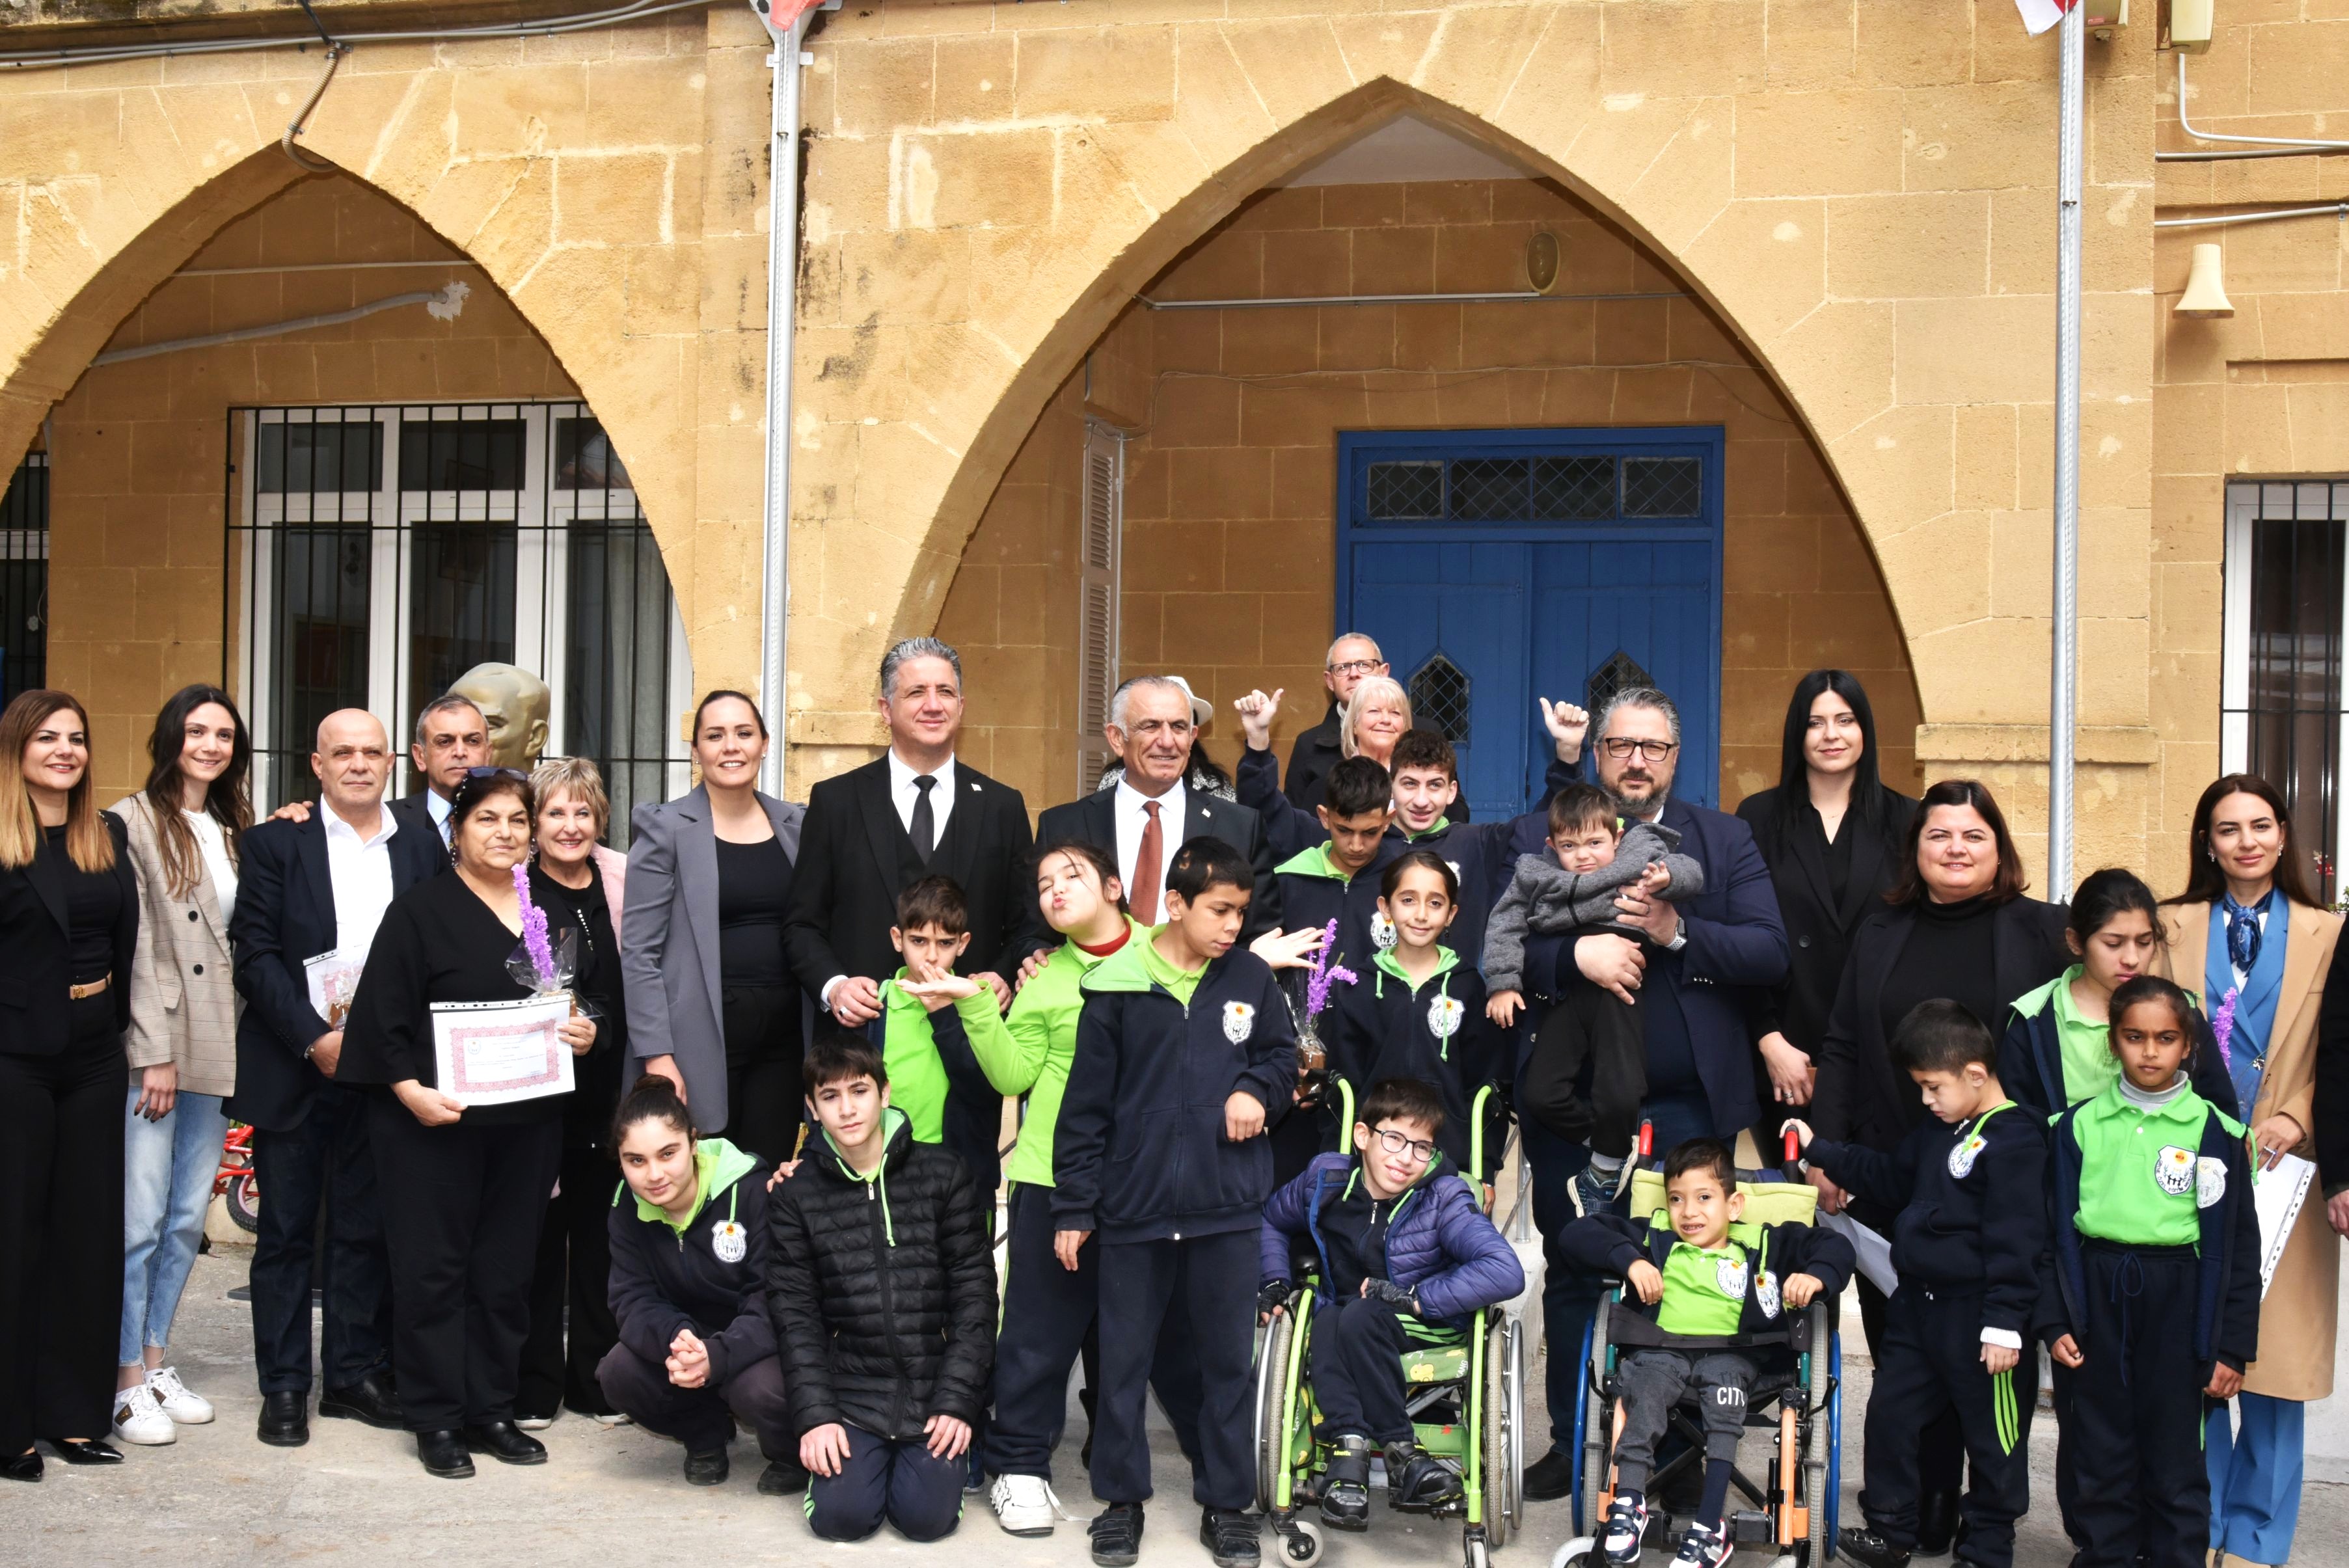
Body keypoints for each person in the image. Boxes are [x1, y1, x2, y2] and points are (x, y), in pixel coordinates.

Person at [1515, 686, 1787, 1502]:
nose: (1636, 761)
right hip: (1575, 1110)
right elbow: (1498, 944)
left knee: (1683, 1269)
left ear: (1675, 756)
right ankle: (1572, 1442)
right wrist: (1575, 959)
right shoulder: (1547, 830)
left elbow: (1768, 951)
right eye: (1620, 745)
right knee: (1576, 1266)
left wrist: (1678, 932)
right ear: (1596, 753)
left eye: (1653, 747)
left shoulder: (1722, 839)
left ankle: (1674, 1458)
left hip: (1685, 1108)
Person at [1804, 777, 2066, 1545]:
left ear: (1999, 848)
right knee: (1907, 1352)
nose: (1955, 848)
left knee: (1984, 1357)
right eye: (1938, 835)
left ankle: (1987, 1522)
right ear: (1913, 849)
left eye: (1973, 835)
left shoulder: (2041, 931)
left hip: (2000, 1184)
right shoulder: (1881, 929)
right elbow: (1842, 1044)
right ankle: (1919, 1505)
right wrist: (1828, 1155)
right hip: (1896, 1172)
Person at [336, 768, 600, 1478]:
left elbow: (573, 1002)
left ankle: (490, 1409)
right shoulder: (419, 913)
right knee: (433, 1272)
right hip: (432, 1123)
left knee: (506, 1271)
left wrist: (584, 1031)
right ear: (457, 830)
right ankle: (436, 1418)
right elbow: (380, 1020)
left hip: (527, 1121)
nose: (504, 833)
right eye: (488, 819)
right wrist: (409, 1092)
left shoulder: (546, 909)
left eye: (517, 820)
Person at [1053, 837, 1297, 1568]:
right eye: (1219, 910)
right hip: (1134, 1210)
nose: (1233, 925)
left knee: (1226, 1366)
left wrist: (1256, 1091)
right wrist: (1074, 1208)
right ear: (1176, 904)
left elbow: (1280, 1057)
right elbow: (1084, 1109)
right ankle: (1120, 1504)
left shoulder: (1250, 977)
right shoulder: (1117, 985)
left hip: (1227, 1210)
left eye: (1241, 912)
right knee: (1122, 1367)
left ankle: (1227, 1506)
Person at [966, 840, 1204, 1536]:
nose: (1055, 891)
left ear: (1112, 886)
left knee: (1168, 1333)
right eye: (1044, 885)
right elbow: (1013, 1076)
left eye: (1070, 876)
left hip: (1149, 1181)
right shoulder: (1044, 979)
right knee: (1037, 1334)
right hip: (1050, 1177)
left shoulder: (1167, 953)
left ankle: (1217, 1463)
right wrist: (976, 1008)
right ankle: (1018, 1465)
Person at [228, 709, 441, 1447]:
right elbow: (254, 953)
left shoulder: (421, 843)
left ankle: (351, 1376)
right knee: (286, 1233)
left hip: (382, 1071)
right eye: (341, 752)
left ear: (392, 763)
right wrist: (314, 1039)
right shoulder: (274, 843)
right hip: (296, 1063)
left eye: (371, 752)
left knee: (364, 1228)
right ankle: (285, 1385)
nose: (357, 763)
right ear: (316, 765)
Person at [2152, 775, 2341, 1567]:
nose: (2246, 842)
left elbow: (2342, 1046)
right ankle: (2198, 1530)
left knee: (2274, 1366)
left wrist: (2300, 1114)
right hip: (2186, 1165)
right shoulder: (2169, 925)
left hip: (2288, 1168)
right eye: (2227, 829)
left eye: (2260, 825)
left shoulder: (2329, 932)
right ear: (2206, 842)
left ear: (2283, 833)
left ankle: (2257, 1545)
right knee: (2195, 1352)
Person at [1787, 1001, 2045, 1568]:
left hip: (1981, 1317)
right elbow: (1890, 1176)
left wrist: (2005, 1323)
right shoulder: (1939, 1130)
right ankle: (1891, 1531)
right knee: (1891, 1417)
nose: (1926, 1100)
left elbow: (2018, 1239)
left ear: (1975, 1074)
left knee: (1994, 1441)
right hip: (1917, 1308)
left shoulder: (2017, 1140)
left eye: (1933, 1087)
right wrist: (1820, 1151)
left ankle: (1986, 1549)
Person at [2041, 975, 2260, 1568]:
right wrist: (2055, 1318)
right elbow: (2050, 1235)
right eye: (2134, 1037)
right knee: (2100, 1447)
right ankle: (2105, 1555)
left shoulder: (2217, 1132)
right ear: (2113, 1041)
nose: (2149, 1052)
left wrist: (2232, 1347)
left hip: (2179, 1300)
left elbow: (2240, 1249)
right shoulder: (2076, 1127)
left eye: (2165, 1039)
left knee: (2175, 1453)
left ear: (2188, 1045)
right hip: (2096, 1292)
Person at [1559, 1137, 1853, 1568]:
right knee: (1645, 1388)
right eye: (1676, 1198)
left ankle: (1710, 1523)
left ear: (1733, 1205)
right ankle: (1628, 1505)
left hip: (1737, 1354)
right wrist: (1630, 1260)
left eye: (1703, 1198)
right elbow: (1577, 1233)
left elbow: (1836, 1246)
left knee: (1724, 1392)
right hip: (1663, 1350)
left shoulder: (1765, 1241)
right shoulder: (1655, 1236)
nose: (1688, 1212)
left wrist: (1815, 1276)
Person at [1255, 1075, 1525, 1532]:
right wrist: (1276, 1280)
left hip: (1423, 1323)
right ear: (1362, 1136)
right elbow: (1272, 1219)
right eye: (1394, 1139)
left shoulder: (1444, 1196)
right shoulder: (1325, 1180)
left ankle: (1383, 1450)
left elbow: (1505, 1271)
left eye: (1421, 1147)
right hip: (1343, 1320)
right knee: (1330, 1315)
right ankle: (1368, 1450)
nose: (1405, 1158)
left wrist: (1417, 1298)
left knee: (1353, 1315)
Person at [767, 1034, 996, 1543]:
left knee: (926, 1521)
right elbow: (795, 1315)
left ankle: (931, 1470)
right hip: (851, 1394)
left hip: (932, 1388)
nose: (847, 1109)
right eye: (830, 1096)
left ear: (885, 1093)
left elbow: (975, 1296)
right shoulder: (795, 1195)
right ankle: (856, 1472)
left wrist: (957, 1400)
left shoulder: (945, 1172)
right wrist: (817, 1417)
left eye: (859, 1091)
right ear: (813, 1108)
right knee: (841, 1521)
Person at [0, 690, 140, 1481]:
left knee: (88, 1237)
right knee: (15, 1239)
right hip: (13, 1054)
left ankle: (75, 1417)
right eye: (47, 737)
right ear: (17, 748)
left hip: (94, 1054)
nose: (65, 750)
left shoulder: (105, 833)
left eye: (77, 738)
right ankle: (9, 1427)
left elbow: (124, 940)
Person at [105, 685, 251, 1446]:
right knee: (139, 1219)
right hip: (159, 1047)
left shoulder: (233, 826)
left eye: (223, 734)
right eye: (196, 730)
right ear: (171, 737)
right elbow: (133, 944)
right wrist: (151, 1052)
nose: (210, 744)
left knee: (188, 1216)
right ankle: (123, 1377)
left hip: (218, 1040)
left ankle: (157, 1358)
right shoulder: (130, 822)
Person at [786, 639, 1040, 1034]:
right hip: (863, 1044)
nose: (934, 705)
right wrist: (835, 987)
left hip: (971, 1039)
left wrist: (1003, 975)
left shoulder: (1002, 806)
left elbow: (1028, 924)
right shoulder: (836, 802)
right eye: (917, 692)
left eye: (946, 692)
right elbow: (801, 925)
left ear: (961, 706)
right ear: (886, 709)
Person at [1234, 697, 1586, 968]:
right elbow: (1267, 813)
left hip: (1448, 1009)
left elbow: (1553, 824)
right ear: (1391, 787)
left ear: (1452, 791)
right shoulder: (1359, 838)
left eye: (1434, 785)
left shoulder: (1478, 844)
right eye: (1409, 784)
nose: (1421, 800)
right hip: (1364, 1007)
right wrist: (1258, 742)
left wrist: (1568, 755)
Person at [1493, 781, 1705, 1209]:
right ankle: (1610, 1143)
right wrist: (1502, 982)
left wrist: (1667, 878)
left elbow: (1692, 872)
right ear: (1552, 847)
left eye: (1595, 843)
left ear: (1617, 837)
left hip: (1619, 994)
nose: (1584, 856)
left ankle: (1605, 1169)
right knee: (1540, 1094)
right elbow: (1504, 924)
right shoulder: (1536, 873)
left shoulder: (1638, 855)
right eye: (1569, 846)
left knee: (1620, 1089)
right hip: (1568, 992)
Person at [1733, 670, 1918, 1146]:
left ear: (1865, 730)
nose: (1831, 735)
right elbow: (1739, 938)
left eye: (1845, 720)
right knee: (1792, 1188)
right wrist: (1768, 1039)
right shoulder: (1758, 817)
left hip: (1882, 1052)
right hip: (1785, 1052)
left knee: (1873, 1188)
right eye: (1816, 723)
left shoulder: (1908, 819)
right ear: (1798, 733)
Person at [623, 690, 808, 1161]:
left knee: (764, 1178)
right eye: (715, 735)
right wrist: (657, 1054)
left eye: (744, 733)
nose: (731, 747)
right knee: (699, 1183)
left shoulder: (797, 825)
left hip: (783, 1043)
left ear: (765, 744)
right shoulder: (666, 828)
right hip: (697, 1044)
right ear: (696, 750)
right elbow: (639, 953)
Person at [599, 1072, 799, 1492]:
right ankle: (705, 1436)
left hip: (755, 1341)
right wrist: (678, 1338)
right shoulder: (625, 1206)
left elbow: (774, 1297)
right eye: (636, 1160)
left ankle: (790, 1452)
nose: (654, 1174)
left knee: (763, 1391)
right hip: (689, 1341)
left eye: (668, 1153)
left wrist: (720, 1354)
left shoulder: (750, 1190)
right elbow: (631, 1298)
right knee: (618, 1373)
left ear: (693, 1142)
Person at [517, 757, 630, 1429]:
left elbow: (632, 982)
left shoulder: (619, 880)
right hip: (538, 1096)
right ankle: (534, 1386)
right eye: (555, 812)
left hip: (607, 1090)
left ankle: (594, 1382)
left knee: (600, 1241)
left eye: (582, 812)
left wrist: (600, 1028)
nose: (570, 825)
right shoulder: (517, 888)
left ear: (600, 819)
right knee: (536, 1241)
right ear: (534, 824)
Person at [1039, 674, 1277, 940]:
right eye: (1151, 726)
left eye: (1178, 727)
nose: (1167, 741)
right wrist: (1035, 954)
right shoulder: (1062, 826)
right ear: (1116, 738)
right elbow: (1033, 934)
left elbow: (1262, 937)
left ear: (1192, 738)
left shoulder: (1240, 827)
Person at [2001, 869, 2240, 1118]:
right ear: (2075, 942)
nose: (2132, 959)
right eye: (2113, 944)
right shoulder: (2035, 1018)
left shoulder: (2181, 1009)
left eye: (2144, 942)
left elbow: (2221, 1116)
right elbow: (2017, 1122)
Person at [1320, 852, 1505, 1172]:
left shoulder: (1468, 987)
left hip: (1448, 1159)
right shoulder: (1357, 986)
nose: (1421, 914)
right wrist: (1339, 1160)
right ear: (1385, 907)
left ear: (1451, 914)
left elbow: (1485, 1086)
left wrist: (1484, 1167)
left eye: (1435, 903)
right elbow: (1341, 1085)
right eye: (1408, 900)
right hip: (1371, 1159)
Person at [854, 874, 1011, 1200]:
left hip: (960, 1180)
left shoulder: (979, 1003)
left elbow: (984, 1092)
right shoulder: (873, 1007)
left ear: (963, 943)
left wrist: (944, 1014)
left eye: (945, 943)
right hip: (884, 1175)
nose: (931, 956)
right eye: (919, 941)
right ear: (897, 939)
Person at [1279, 634, 1457, 819]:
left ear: (1384, 672)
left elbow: (1452, 805)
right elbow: (1294, 818)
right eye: (1343, 667)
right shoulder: (1309, 744)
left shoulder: (1427, 732)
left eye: (1364, 665)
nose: (1354, 674)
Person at [390, 694, 489, 845]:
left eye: (473, 741)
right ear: (420, 756)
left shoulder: (514, 822)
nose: (460, 752)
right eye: (444, 742)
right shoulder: (388, 819)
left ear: (487, 754)